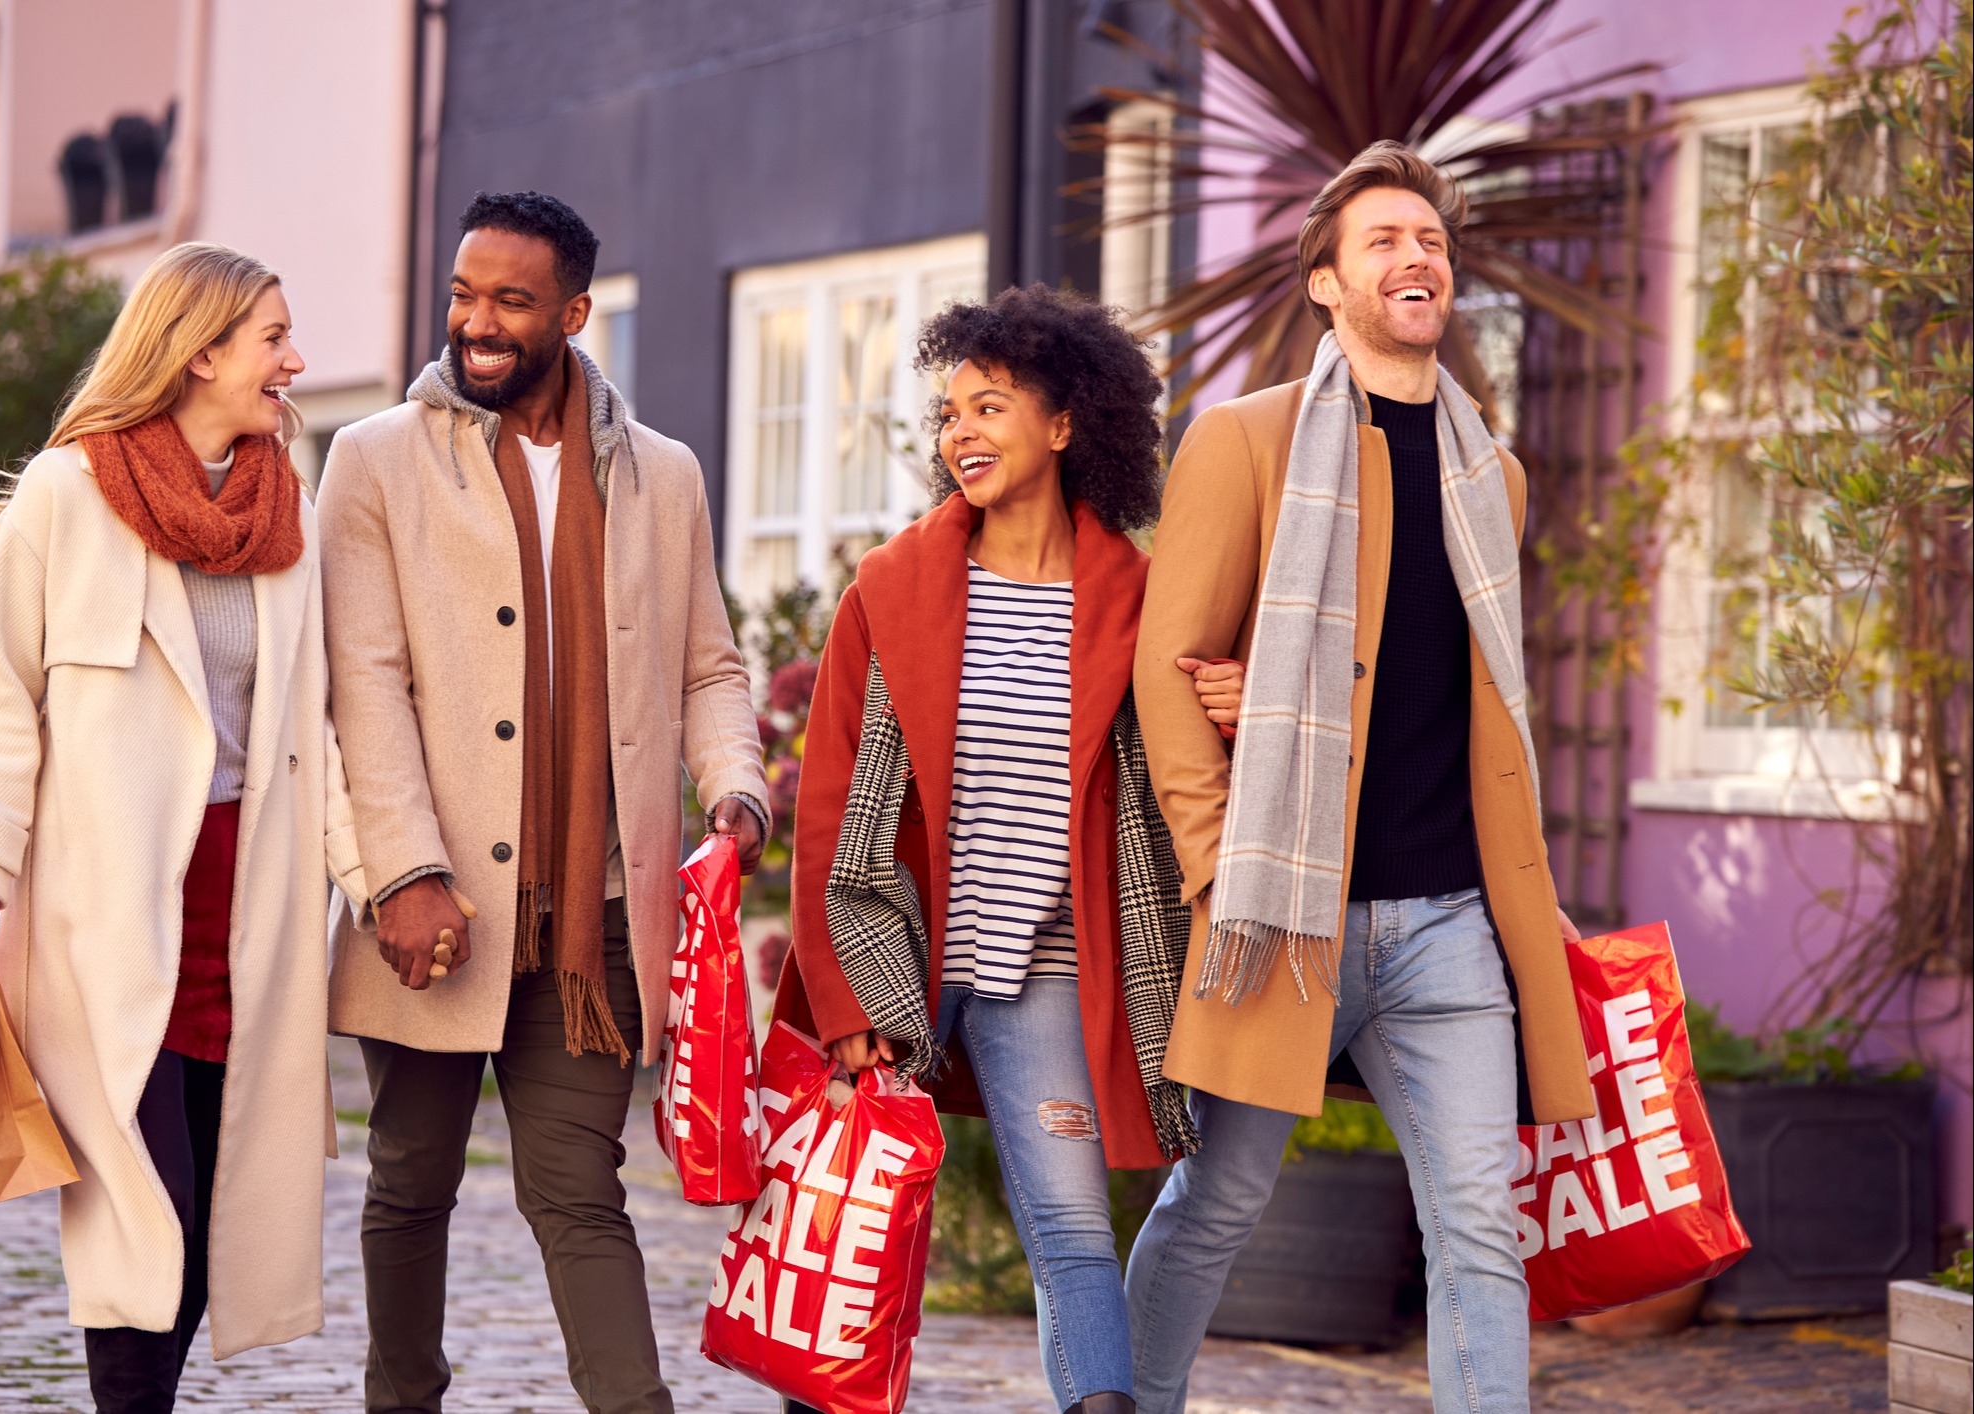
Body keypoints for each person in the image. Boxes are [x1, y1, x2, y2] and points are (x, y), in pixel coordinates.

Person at [1123, 141, 1596, 1414]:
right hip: (1288, 914)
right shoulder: (1246, 443)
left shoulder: (1492, 476)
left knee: (1480, 1230)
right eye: (1383, 240)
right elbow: (1170, 673)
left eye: (1431, 240)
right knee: (1217, 1203)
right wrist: (1220, 860)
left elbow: (1468, 706)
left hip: (1448, 928)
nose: (1416, 256)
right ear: (1327, 285)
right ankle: (1129, 1399)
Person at [318, 190, 769, 1414]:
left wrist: (735, 791)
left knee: (578, 1187)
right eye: (464, 294)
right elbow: (361, 684)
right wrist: (403, 875)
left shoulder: (661, 474)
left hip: (597, 912)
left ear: (573, 312)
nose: (477, 322)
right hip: (436, 903)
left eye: (510, 302)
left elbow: (707, 667)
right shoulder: (371, 461)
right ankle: (399, 1398)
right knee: (409, 1178)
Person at [0, 242, 365, 1412]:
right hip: (105, 915)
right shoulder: (68, 497)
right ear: (200, 349)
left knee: (212, 1222)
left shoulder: (289, 510)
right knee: (136, 1219)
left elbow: (316, 726)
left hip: (248, 918)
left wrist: (383, 876)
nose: (295, 362)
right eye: (273, 339)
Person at [775, 285, 1196, 1414]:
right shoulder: (893, 588)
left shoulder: (1138, 600)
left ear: (1064, 426)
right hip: (900, 951)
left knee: (1068, 1232)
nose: (960, 431)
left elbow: (1180, 783)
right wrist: (848, 996)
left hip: (1046, 968)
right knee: (853, 1221)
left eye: (989, 407)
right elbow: (830, 807)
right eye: (948, 413)